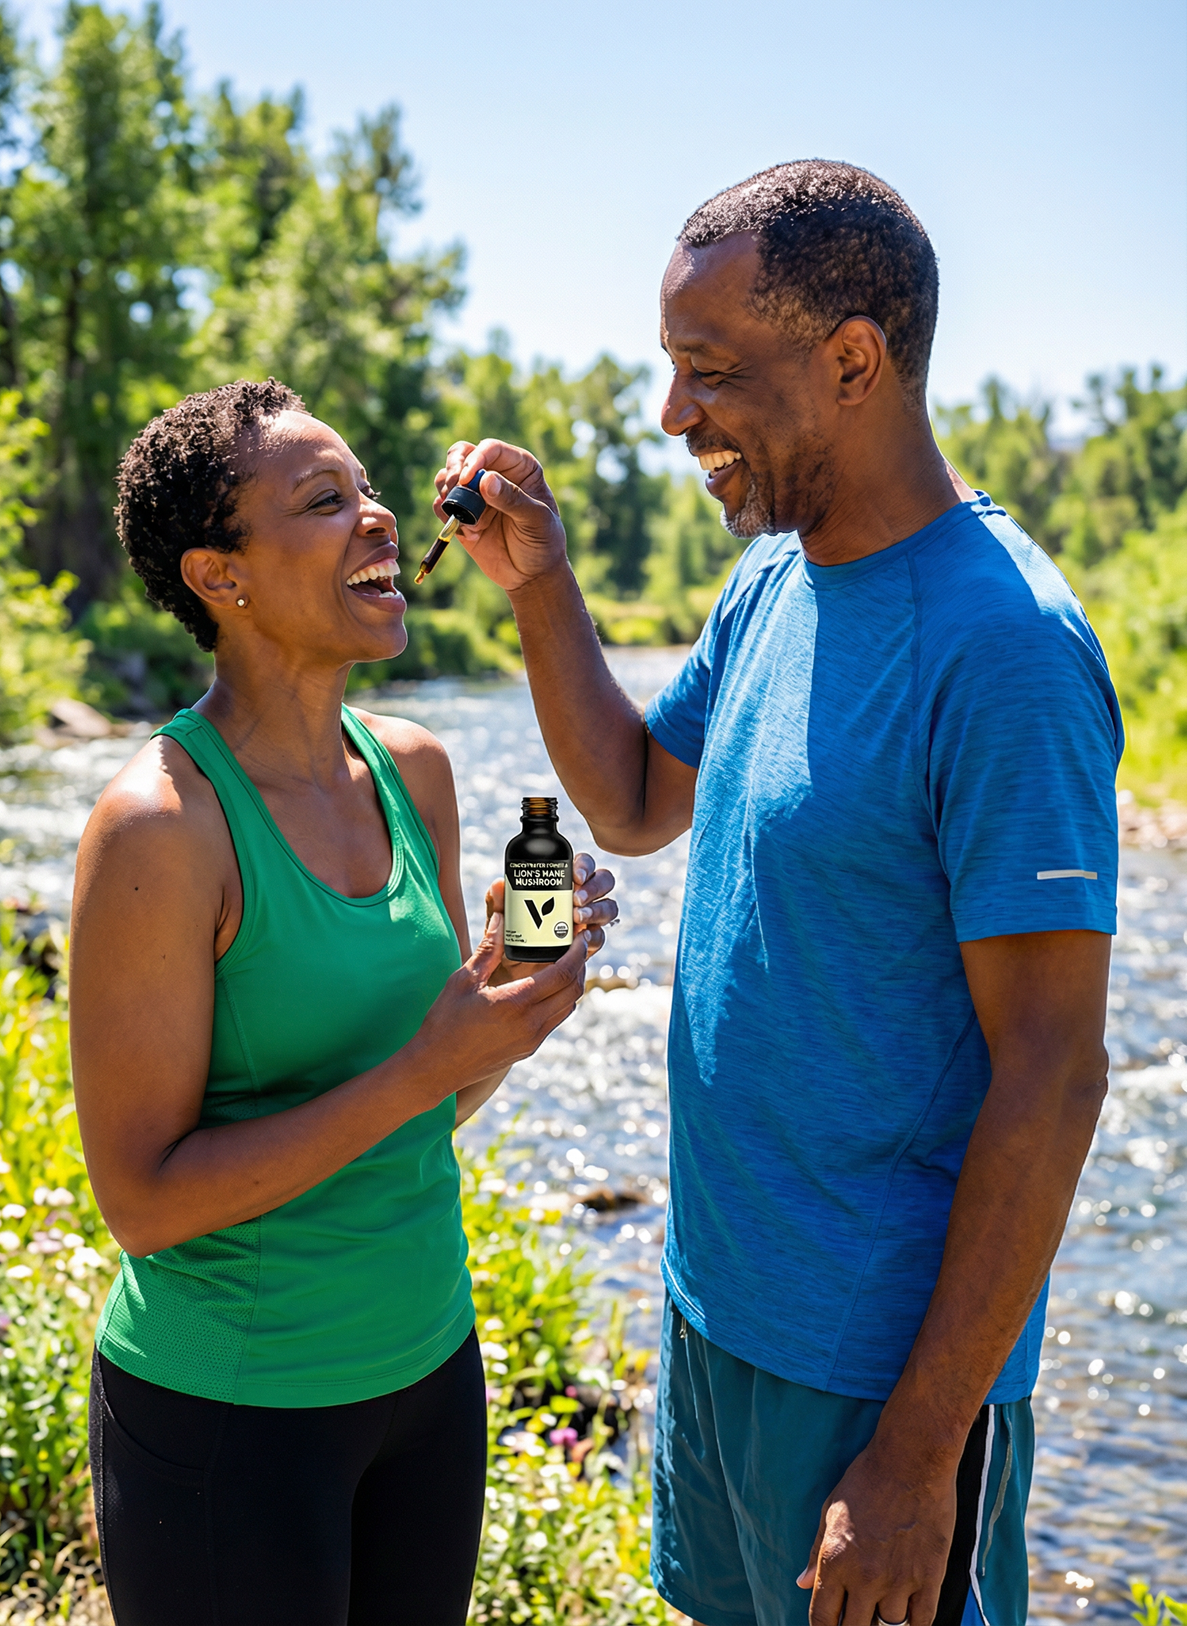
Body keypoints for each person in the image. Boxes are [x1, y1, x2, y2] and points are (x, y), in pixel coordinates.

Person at [431, 161, 1121, 1626]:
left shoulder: (1005, 650)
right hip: (719, 1310)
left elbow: (1054, 1073)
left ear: (852, 360)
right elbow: (627, 800)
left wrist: (919, 1455)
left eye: (707, 372)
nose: (673, 416)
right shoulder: (776, 582)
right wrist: (540, 580)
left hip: (874, 1375)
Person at [68, 378, 617, 1626]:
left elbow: (422, 1106)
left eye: (371, 491)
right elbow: (142, 1202)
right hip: (230, 1418)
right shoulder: (160, 825)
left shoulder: (412, 769)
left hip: (428, 1374)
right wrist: (422, 1068)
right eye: (326, 502)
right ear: (220, 575)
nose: (379, 519)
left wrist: (508, 1016)